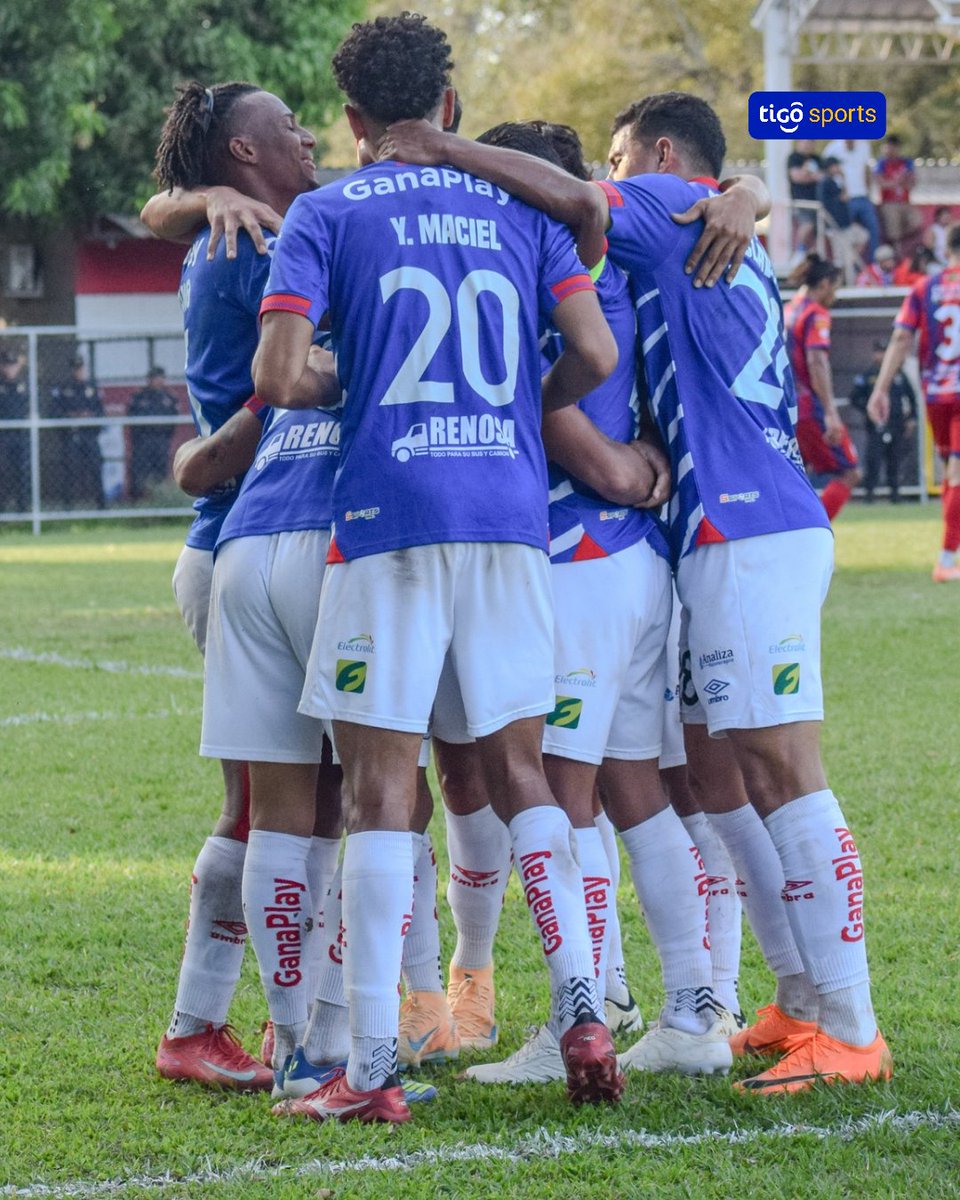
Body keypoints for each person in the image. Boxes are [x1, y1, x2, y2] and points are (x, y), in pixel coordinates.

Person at [383, 88, 892, 1095]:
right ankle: (757, 1000)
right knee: (693, 785)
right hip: (697, 538)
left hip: (722, 531)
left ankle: (848, 1027)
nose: (605, 183)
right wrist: (747, 189)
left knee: (777, 774)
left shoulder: (651, 210)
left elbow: (586, 210)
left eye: (620, 160)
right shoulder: (702, 224)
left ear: (661, 157)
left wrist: (439, 146)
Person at [254, 12, 627, 1124]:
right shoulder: (519, 207)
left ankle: (368, 1070)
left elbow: (279, 378)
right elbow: (594, 356)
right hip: (510, 519)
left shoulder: (322, 212)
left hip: (390, 515)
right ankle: (582, 1009)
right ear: (450, 107)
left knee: (379, 791)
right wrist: (519, 411)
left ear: (356, 121)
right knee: (524, 778)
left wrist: (350, 389)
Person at [432, 122, 733, 1091]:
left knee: (558, 799)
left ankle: (589, 1007)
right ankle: (688, 1008)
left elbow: (561, 418)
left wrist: (610, 466)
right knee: (634, 792)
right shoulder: (600, 263)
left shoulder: (539, 267)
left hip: (579, 560)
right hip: (634, 566)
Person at [141, 78, 319, 1092]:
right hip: (246, 534)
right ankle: (239, 1027)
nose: (304, 138)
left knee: (282, 802)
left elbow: (161, 202)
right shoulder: (251, 245)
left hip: (241, 539)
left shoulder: (241, 229)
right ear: (243, 157)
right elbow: (283, 387)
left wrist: (187, 199)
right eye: (285, 129)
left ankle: (239, 1026)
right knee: (282, 805)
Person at [869, 223, 960, 581]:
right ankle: (946, 560)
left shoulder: (925, 287)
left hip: (936, 395)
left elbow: (901, 338)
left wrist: (880, 388)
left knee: (952, 475)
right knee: (955, 474)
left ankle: (950, 553)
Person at [784, 255, 861, 521]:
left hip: (786, 407)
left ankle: (787, 541)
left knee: (794, 478)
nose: (835, 295)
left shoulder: (787, 309)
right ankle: (813, 536)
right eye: (836, 287)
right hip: (810, 408)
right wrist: (830, 412)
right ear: (825, 283)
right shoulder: (816, 314)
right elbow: (816, 360)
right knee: (849, 473)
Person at [850, 340, 917, 502]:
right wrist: (868, 410)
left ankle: (895, 494)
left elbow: (911, 397)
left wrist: (911, 418)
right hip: (876, 425)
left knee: (895, 460)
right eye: (879, 352)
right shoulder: (868, 375)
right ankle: (869, 495)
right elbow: (855, 398)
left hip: (896, 423)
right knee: (873, 459)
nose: (882, 355)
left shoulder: (899, 375)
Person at [48, 356, 105, 510]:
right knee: (69, 470)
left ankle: (102, 505)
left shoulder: (92, 388)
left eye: (81, 368)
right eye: (76, 368)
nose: (79, 371)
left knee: (95, 468)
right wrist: (71, 416)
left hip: (89, 435)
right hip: (70, 435)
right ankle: (68, 506)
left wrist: (89, 416)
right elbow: (54, 412)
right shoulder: (63, 388)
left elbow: (100, 412)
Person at [823, 136, 880, 261]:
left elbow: (867, 171)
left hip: (863, 196)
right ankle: (849, 265)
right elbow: (827, 172)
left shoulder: (864, 145)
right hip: (845, 200)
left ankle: (873, 263)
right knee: (846, 232)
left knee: (873, 229)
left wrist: (869, 193)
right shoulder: (832, 148)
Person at [127, 365, 179, 498]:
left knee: (160, 470)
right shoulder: (139, 397)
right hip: (143, 440)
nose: (158, 381)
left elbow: (173, 420)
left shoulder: (169, 397)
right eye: (155, 378)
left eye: (161, 378)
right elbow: (132, 418)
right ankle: (137, 499)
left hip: (161, 438)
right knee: (140, 470)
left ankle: (159, 498)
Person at [817, 157, 868, 284]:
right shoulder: (826, 182)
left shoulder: (834, 181)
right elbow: (833, 202)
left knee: (861, 237)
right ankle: (843, 284)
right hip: (836, 226)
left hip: (844, 225)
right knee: (841, 260)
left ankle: (847, 278)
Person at [873, 135, 921, 257]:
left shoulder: (906, 162)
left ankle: (907, 248)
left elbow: (912, 181)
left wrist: (904, 182)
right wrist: (896, 182)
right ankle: (897, 255)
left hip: (905, 201)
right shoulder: (881, 163)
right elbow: (880, 182)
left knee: (916, 221)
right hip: (889, 202)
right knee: (893, 229)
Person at [0, 348, 30, 513]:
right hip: (3, 436)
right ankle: (2, 508)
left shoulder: (25, 385)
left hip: (21, 434)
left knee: (22, 470)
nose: (10, 369)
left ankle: (22, 507)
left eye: (13, 365)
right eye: (7, 365)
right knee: (3, 471)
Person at [787, 139, 823, 254]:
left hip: (817, 200)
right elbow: (797, 177)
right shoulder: (794, 158)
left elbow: (822, 177)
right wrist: (807, 172)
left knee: (817, 230)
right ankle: (799, 251)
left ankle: (813, 254)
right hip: (801, 200)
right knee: (807, 225)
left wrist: (809, 176)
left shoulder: (817, 159)